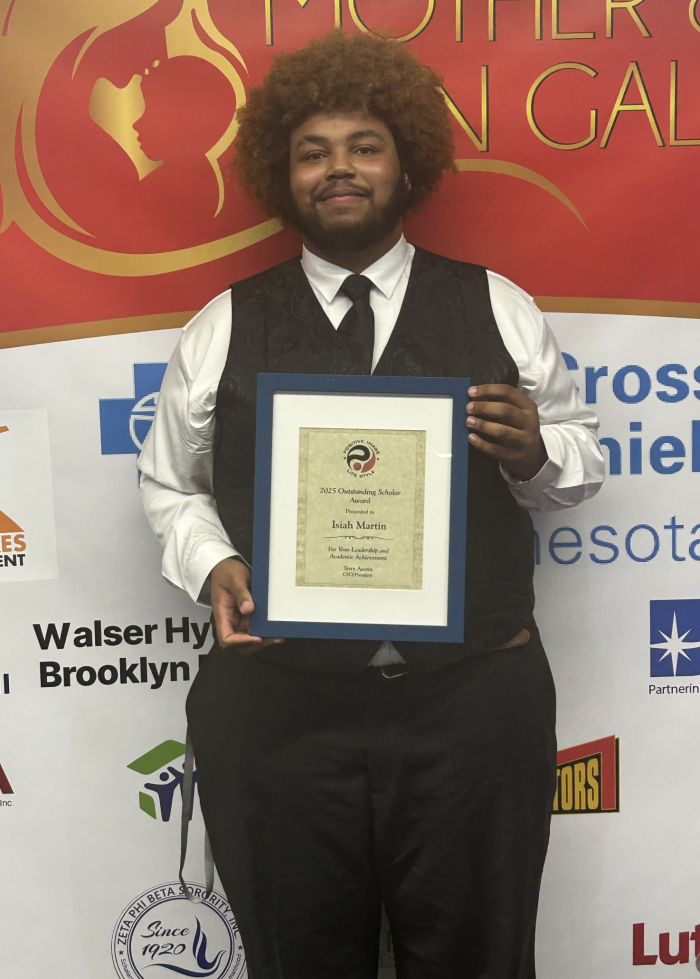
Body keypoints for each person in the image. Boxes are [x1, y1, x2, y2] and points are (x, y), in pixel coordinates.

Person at [139, 29, 605, 979]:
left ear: (407, 162)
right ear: (285, 174)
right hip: (280, 708)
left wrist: (535, 448)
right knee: (297, 958)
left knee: (481, 957)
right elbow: (170, 483)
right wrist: (212, 562)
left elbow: (579, 460)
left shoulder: (500, 306)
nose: (338, 168)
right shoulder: (224, 322)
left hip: (473, 701)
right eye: (312, 151)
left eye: (363, 145)